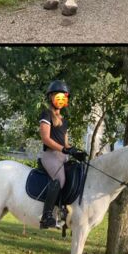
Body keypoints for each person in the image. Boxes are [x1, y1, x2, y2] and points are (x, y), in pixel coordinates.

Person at [39, 80, 86, 229]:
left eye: (63, 97)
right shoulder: (46, 114)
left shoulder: (64, 121)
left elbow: (65, 144)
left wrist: (75, 151)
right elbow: (45, 138)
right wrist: (64, 149)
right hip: (49, 155)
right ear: (51, 97)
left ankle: (64, 211)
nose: (60, 100)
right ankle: (46, 216)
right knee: (59, 178)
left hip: (61, 156)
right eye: (57, 96)